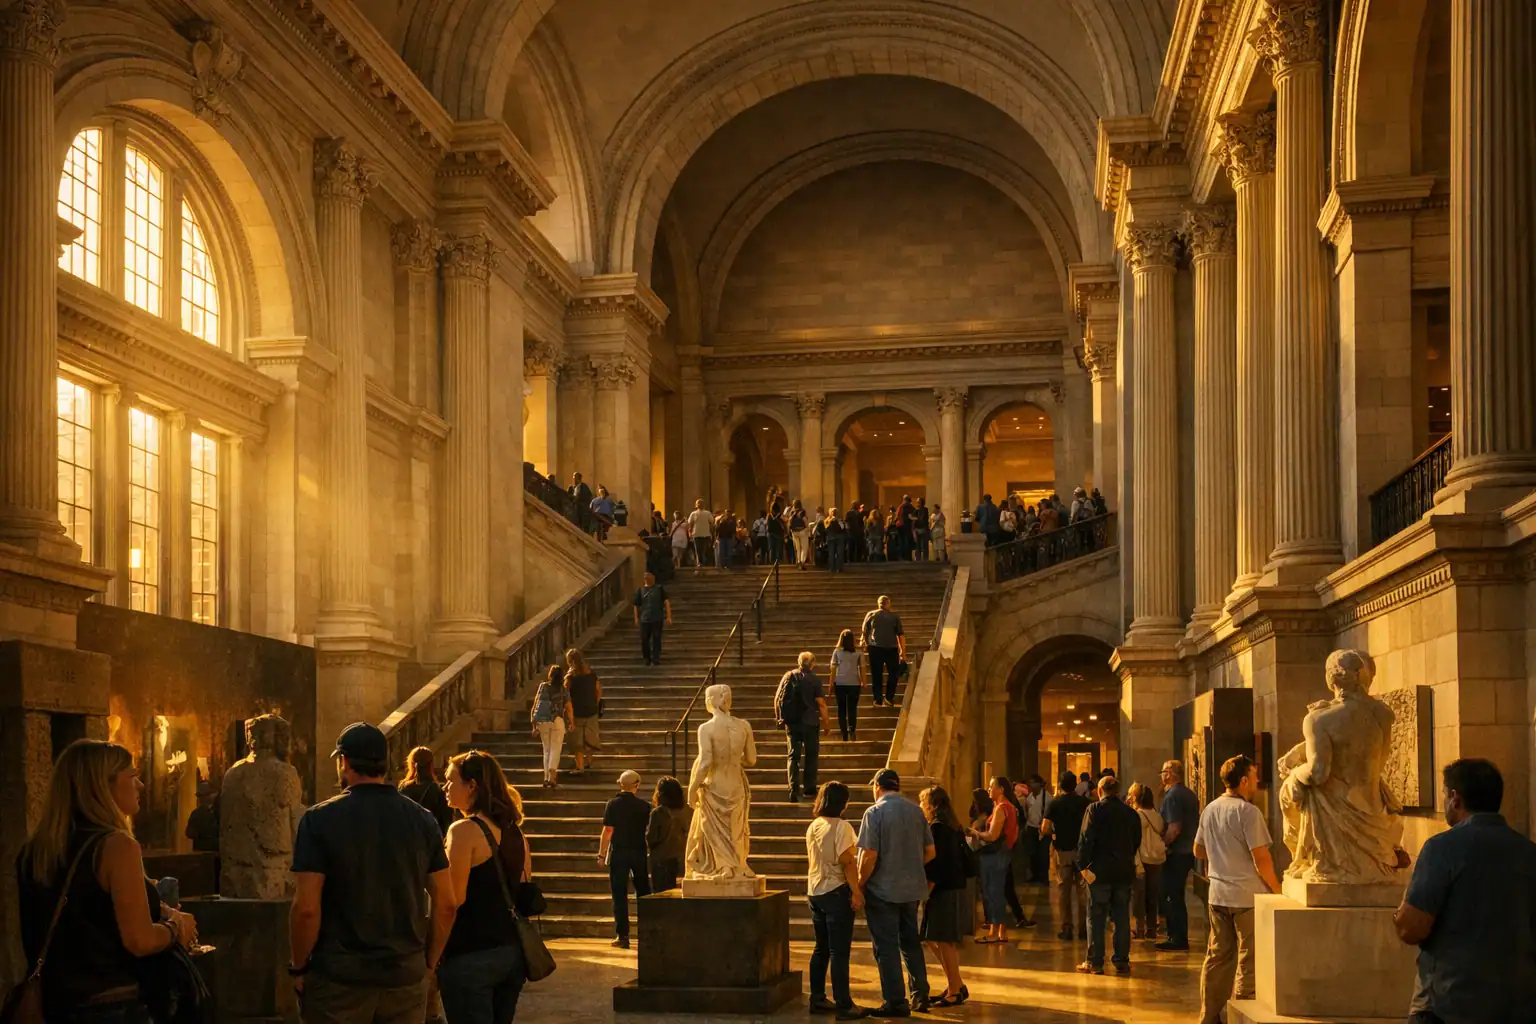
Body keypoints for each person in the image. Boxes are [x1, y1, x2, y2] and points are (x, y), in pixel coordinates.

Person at [17, 739, 200, 1023]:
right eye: (132, 776)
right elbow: (139, 940)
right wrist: (177, 927)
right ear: (104, 786)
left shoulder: (35, 852)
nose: (140, 785)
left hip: (53, 1006)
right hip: (111, 1006)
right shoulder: (116, 847)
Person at [289, 723, 455, 1022]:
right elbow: (446, 903)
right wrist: (427, 964)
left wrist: (299, 968)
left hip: (339, 980)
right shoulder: (422, 820)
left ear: (345, 762)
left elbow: (306, 909)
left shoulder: (319, 820)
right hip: (404, 976)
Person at [1395, 758, 1536, 1024]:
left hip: (1449, 1002)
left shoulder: (1442, 848)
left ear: (1455, 798)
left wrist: (1399, 914)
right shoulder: (1529, 853)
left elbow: (1411, 928)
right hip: (1519, 1004)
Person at [437, 750, 530, 1023]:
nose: (445, 787)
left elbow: (453, 900)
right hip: (511, 953)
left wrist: (433, 954)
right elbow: (524, 889)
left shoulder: (463, 831)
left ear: (472, 785)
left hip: (470, 955)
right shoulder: (516, 833)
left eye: (451, 780)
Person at [1194, 755, 1281, 1024]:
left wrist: (1222, 858)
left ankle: (1208, 1016)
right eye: (1254, 775)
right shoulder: (1248, 812)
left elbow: (1198, 849)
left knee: (1217, 958)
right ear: (1243, 780)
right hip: (1247, 897)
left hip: (1218, 895)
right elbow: (1262, 859)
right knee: (1249, 959)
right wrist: (1278, 890)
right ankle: (1241, 1015)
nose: (1256, 781)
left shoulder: (1210, 809)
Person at [856, 769, 933, 1016]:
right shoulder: (916, 811)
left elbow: (869, 854)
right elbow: (931, 851)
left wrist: (859, 882)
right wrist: (910, 865)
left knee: (886, 946)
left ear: (878, 786)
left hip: (882, 890)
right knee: (911, 942)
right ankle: (920, 995)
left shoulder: (874, 812)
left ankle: (896, 1001)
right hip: (912, 889)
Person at [805, 782, 870, 1020]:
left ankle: (818, 997)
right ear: (842, 803)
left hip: (815, 890)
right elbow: (847, 860)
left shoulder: (814, 826)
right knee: (839, 951)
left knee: (821, 948)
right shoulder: (841, 827)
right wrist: (856, 891)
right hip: (835, 891)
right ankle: (844, 1004)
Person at [1076, 775, 1141, 976]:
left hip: (1099, 872)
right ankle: (1121, 960)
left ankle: (1095, 962)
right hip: (1123, 872)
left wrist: (1082, 866)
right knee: (1121, 917)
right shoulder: (1131, 813)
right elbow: (1136, 840)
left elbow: (1086, 840)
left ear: (1100, 790)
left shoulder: (1094, 810)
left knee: (1095, 916)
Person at [919, 786, 969, 1008]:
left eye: (922, 802)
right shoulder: (953, 826)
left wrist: (926, 892)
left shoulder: (937, 828)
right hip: (951, 886)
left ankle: (955, 989)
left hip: (942, 888)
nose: (921, 807)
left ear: (931, 804)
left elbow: (937, 865)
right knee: (934, 937)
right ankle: (955, 984)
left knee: (944, 940)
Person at [598, 769, 651, 949]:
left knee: (619, 894)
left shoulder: (612, 804)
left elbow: (608, 831)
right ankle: (647, 932)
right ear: (637, 785)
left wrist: (601, 854)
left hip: (619, 853)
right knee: (643, 891)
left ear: (620, 784)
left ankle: (623, 935)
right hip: (638, 852)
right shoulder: (644, 806)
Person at [1156, 758, 1201, 952]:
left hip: (1177, 852)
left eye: (1164, 772)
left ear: (1172, 773)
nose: (1162, 775)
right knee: (1176, 894)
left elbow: (1174, 828)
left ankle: (1177, 937)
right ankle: (1177, 935)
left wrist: (1162, 845)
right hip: (1187, 851)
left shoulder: (1172, 795)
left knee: (1172, 895)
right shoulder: (1189, 793)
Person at [966, 776, 1018, 944]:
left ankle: (996, 931)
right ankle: (998, 930)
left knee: (993, 892)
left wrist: (975, 833)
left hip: (995, 855)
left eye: (991, 787)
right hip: (1001, 854)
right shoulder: (1005, 807)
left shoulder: (1002, 808)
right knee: (995, 891)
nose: (988, 790)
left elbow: (992, 835)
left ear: (1001, 789)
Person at [1042, 769, 1091, 940]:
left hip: (1062, 851)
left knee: (1064, 891)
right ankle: (1085, 928)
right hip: (1082, 852)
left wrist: (1054, 835)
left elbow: (1044, 828)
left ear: (1061, 784)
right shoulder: (1085, 802)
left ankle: (1067, 927)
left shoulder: (1055, 803)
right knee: (1083, 890)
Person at [777, 650, 828, 801]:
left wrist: (779, 718)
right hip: (810, 723)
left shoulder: (788, 676)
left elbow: (777, 698)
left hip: (792, 723)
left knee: (793, 755)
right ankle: (809, 789)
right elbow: (821, 704)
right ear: (812, 664)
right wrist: (826, 723)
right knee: (811, 755)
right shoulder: (815, 680)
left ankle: (793, 789)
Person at [1127, 782, 1166, 941]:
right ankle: (1151, 928)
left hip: (1141, 860)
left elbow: (1132, 842)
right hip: (1157, 859)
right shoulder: (1157, 815)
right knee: (1152, 895)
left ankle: (1139, 928)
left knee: (1138, 896)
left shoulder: (1136, 815)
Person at [645, 776, 691, 893]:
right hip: (682, 856)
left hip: (662, 857)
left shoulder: (658, 813)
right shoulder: (687, 811)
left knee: (661, 893)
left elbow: (652, 837)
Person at [530, 664, 572, 789]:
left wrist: (534, 724)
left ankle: (546, 778)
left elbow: (536, 705)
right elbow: (569, 707)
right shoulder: (562, 689)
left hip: (542, 721)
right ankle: (552, 776)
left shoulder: (543, 686)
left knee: (546, 749)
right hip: (557, 719)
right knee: (555, 748)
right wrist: (572, 722)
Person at [399, 746, 455, 837]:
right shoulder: (437, 791)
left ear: (411, 764)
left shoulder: (404, 789)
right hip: (430, 841)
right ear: (431, 765)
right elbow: (445, 823)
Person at [860, 595, 906, 707]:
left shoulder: (871, 614)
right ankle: (889, 698)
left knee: (877, 674)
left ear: (879, 604)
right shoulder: (894, 617)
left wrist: (865, 642)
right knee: (893, 674)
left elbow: (864, 630)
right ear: (888, 604)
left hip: (875, 648)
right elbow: (900, 635)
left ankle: (877, 699)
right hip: (891, 648)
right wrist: (902, 651)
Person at [564, 648, 601, 776]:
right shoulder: (591, 674)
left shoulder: (570, 677)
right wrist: (595, 703)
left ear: (570, 661)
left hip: (576, 711)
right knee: (590, 737)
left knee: (577, 741)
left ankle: (580, 767)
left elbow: (566, 695)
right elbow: (598, 690)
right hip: (591, 710)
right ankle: (589, 762)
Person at [829, 629, 866, 741]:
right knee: (852, 708)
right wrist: (864, 681)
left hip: (840, 682)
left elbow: (833, 669)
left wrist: (831, 684)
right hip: (854, 683)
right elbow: (863, 668)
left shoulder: (837, 652)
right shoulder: (859, 652)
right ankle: (852, 730)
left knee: (841, 709)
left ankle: (843, 732)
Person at [632, 571, 672, 666]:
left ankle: (656, 658)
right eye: (645, 575)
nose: (646, 577)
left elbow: (666, 602)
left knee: (656, 638)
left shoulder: (659, 589)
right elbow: (636, 605)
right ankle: (647, 658)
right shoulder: (641, 590)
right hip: (645, 619)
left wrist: (669, 616)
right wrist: (636, 618)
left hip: (657, 618)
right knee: (644, 639)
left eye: (648, 575)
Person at [185, 782, 221, 853]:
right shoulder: (197, 814)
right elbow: (190, 833)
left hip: (216, 851)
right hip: (202, 852)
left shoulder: (218, 811)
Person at [686, 499, 715, 571]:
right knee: (698, 550)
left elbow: (711, 522)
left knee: (704, 550)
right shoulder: (693, 513)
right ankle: (699, 564)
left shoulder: (707, 513)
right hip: (696, 534)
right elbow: (690, 524)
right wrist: (690, 532)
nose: (699, 505)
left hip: (705, 534)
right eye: (698, 503)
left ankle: (702, 564)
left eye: (700, 503)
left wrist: (711, 533)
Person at [789, 499, 811, 568]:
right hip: (802, 530)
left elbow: (789, 522)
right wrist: (807, 527)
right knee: (804, 547)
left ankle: (798, 561)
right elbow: (804, 519)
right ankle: (802, 561)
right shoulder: (802, 511)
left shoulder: (792, 512)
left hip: (794, 531)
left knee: (797, 548)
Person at [823, 507, 846, 573]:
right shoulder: (839, 520)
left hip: (831, 538)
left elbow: (825, 529)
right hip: (839, 538)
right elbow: (842, 528)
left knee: (831, 553)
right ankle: (839, 568)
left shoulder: (826, 520)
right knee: (839, 553)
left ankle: (831, 568)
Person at [912, 497, 931, 562]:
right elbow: (913, 520)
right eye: (917, 502)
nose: (917, 504)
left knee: (925, 545)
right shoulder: (915, 510)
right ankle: (918, 559)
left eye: (918, 502)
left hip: (924, 529)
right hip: (917, 529)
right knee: (917, 546)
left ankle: (925, 559)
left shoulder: (925, 510)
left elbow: (923, 519)